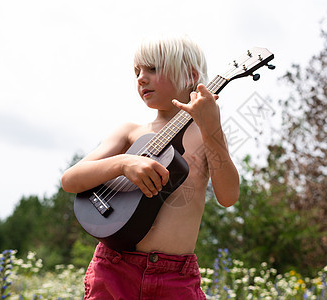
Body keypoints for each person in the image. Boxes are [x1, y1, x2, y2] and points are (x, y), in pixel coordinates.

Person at [61, 35, 240, 299]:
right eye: (137, 72)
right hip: (114, 268)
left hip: (176, 278)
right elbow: (70, 180)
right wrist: (123, 163)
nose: (141, 78)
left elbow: (228, 196)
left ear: (190, 75)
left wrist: (212, 127)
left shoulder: (206, 136)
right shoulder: (130, 132)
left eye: (153, 69)